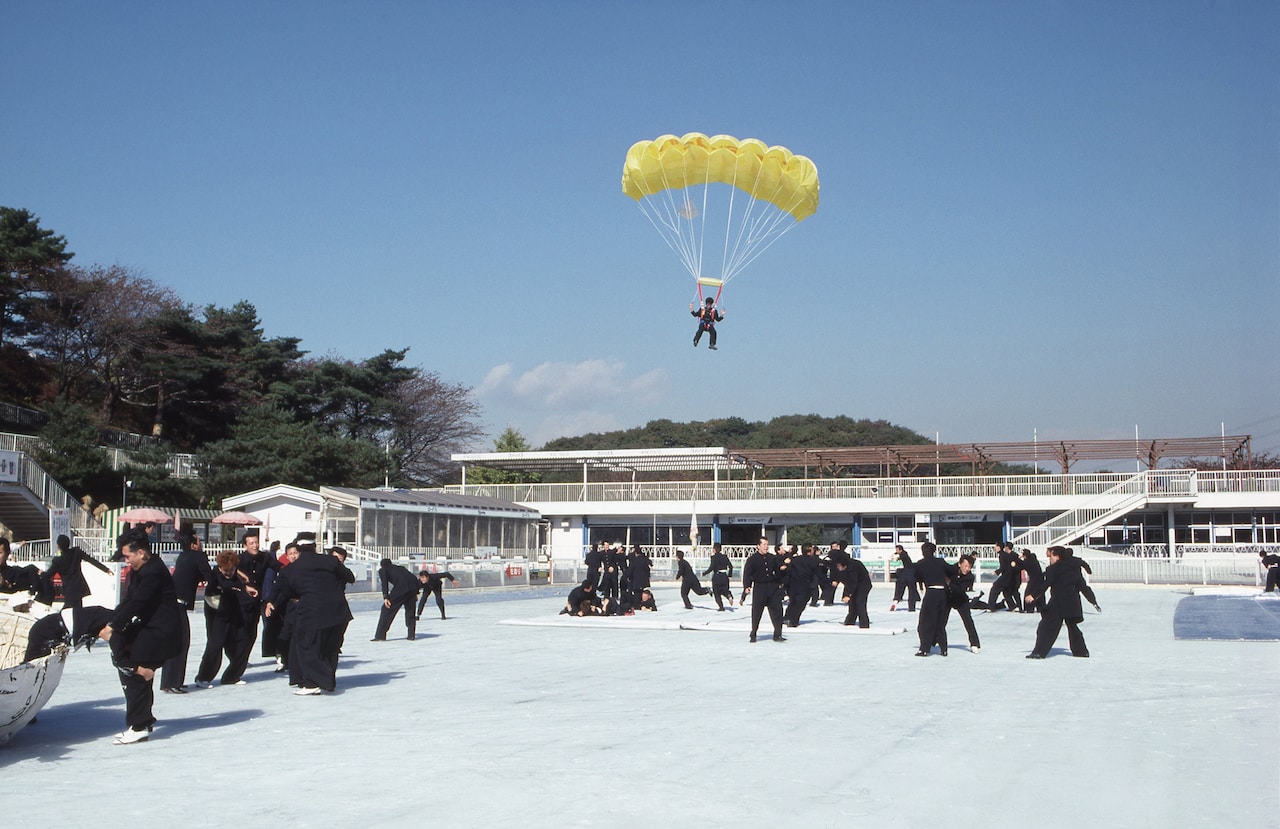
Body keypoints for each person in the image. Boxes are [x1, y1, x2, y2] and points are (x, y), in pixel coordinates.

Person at [97, 529, 182, 744]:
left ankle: (139, 725)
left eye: (128, 556)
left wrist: (114, 627)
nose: (126, 560)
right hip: (149, 627)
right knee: (129, 664)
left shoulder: (153, 572)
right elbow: (128, 600)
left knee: (131, 669)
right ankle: (142, 719)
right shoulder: (141, 569)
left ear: (141, 553)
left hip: (161, 632)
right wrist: (112, 621)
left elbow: (138, 603)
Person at [266, 541, 355, 695]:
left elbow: (287, 592)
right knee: (330, 648)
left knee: (307, 647)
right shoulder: (330, 561)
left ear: (299, 550)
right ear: (315, 547)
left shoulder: (290, 569)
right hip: (339, 612)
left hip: (312, 613)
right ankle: (328, 681)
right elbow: (349, 577)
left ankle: (312, 683)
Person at [194, 550, 259, 687]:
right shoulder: (215, 576)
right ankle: (203, 677)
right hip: (216, 617)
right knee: (215, 646)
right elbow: (226, 585)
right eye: (226, 570)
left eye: (231, 570)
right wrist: (243, 587)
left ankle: (232, 676)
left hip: (233, 615)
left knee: (243, 643)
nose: (228, 573)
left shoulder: (236, 577)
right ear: (220, 567)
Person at [160, 531, 213, 694]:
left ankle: (169, 682)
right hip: (177, 604)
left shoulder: (183, 556)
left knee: (176, 642)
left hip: (170, 603)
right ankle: (173, 683)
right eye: (198, 541)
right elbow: (210, 577)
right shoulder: (198, 556)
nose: (201, 544)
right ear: (193, 545)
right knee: (181, 642)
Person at [1025, 546, 1090, 659]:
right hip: (1072, 602)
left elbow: (1045, 584)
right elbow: (1082, 585)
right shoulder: (1073, 568)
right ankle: (1081, 651)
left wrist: (1033, 595)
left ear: (1057, 556)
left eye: (1051, 556)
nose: (1050, 559)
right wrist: (1092, 599)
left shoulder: (1053, 569)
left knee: (1046, 627)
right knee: (1072, 627)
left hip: (1058, 603)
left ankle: (1039, 652)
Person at [43, 534, 111, 608]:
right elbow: (90, 560)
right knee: (78, 610)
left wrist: (41, 573)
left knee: (67, 611)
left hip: (69, 591)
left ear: (58, 546)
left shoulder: (58, 561)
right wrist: (106, 569)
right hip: (79, 588)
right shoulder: (76, 552)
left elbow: (48, 575)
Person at [913, 541, 956, 656]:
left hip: (931, 593)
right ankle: (943, 649)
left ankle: (924, 649)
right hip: (943, 594)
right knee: (940, 622)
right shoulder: (940, 562)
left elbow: (916, 576)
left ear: (923, 552)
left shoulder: (920, 564)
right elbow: (952, 570)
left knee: (925, 622)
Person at [741, 537, 785, 643]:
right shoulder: (752, 559)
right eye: (764, 544)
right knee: (757, 612)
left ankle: (777, 634)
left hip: (772, 587)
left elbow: (778, 571)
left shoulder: (772, 558)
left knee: (777, 611)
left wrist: (781, 582)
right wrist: (747, 586)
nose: (766, 547)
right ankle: (753, 633)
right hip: (760, 588)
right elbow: (747, 574)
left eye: (767, 544)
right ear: (758, 546)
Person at [374, 558, 422, 641]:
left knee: (386, 610)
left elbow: (384, 583)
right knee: (410, 612)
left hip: (400, 590)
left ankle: (380, 636)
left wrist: (386, 597)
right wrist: (415, 592)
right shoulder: (400, 568)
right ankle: (411, 635)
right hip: (412, 590)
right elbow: (413, 577)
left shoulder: (383, 570)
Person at [947, 554, 981, 653]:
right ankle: (933, 641)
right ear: (959, 564)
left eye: (969, 567)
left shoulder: (970, 577)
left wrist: (949, 583)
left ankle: (974, 643)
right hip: (948, 598)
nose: (967, 569)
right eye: (965, 566)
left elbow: (960, 589)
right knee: (941, 620)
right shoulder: (950, 570)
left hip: (961, 599)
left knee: (968, 621)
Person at [783, 545, 818, 627]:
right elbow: (816, 573)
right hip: (805, 586)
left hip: (793, 585)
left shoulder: (795, 560)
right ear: (809, 551)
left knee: (793, 602)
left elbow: (788, 571)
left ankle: (787, 617)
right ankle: (793, 620)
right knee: (800, 604)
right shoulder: (813, 561)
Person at [837, 556, 872, 628]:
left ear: (844, 566)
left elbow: (852, 583)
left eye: (839, 566)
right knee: (852, 602)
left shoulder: (852, 568)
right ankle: (850, 621)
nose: (837, 567)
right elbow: (847, 584)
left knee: (860, 603)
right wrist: (846, 595)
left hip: (863, 585)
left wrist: (848, 595)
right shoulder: (846, 567)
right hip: (855, 584)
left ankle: (864, 624)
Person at [702, 542, 735, 611]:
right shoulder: (725, 556)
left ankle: (721, 607)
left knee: (716, 593)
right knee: (725, 590)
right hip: (724, 576)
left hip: (717, 576)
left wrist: (705, 573)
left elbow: (711, 567)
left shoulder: (713, 557)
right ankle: (729, 596)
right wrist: (729, 575)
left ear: (714, 549)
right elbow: (731, 566)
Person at [889, 544, 918, 612]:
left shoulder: (903, 554)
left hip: (906, 573)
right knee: (912, 590)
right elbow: (898, 554)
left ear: (900, 550)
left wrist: (896, 558)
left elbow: (901, 556)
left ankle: (895, 601)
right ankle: (912, 607)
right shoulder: (903, 553)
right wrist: (895, 554)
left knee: (900, 590)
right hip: (910, 574)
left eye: (897, 550)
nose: (896, 551)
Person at [1020, 549, 1045, 615]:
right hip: (1040, 578)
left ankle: (1029, 608)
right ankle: (1040, 607)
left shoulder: (1027, 562)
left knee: (1029, 592)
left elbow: (1021, 565)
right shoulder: (1033, 560)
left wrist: (1017, 558)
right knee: (1039, 592)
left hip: (1033, 579)